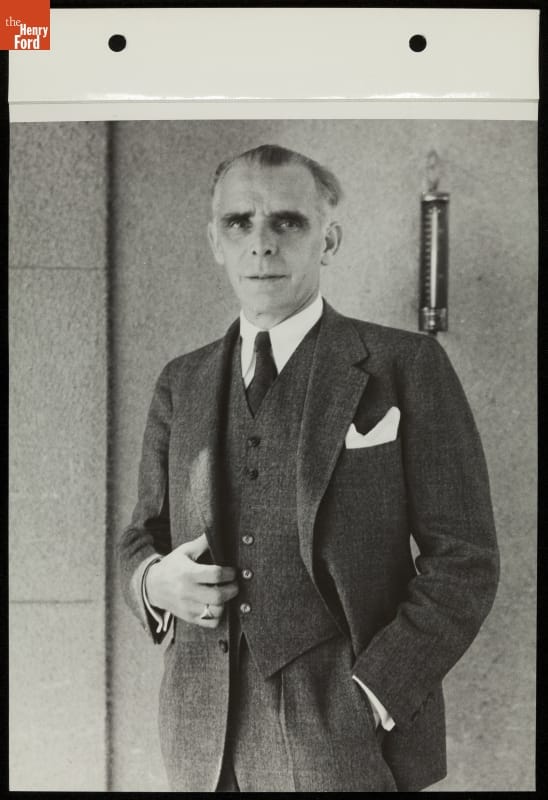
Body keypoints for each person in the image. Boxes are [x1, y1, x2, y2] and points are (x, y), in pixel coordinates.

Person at [118, 143, 499, 792]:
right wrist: (153, 583)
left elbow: (466, 559)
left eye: (287, 221)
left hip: (347, 740)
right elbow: (139, 537)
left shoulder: (405, 366)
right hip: (202, 743)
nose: (261, 243)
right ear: (214, 242)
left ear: (329, 239)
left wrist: (373, 695)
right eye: (239, 222)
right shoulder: (181, 382)